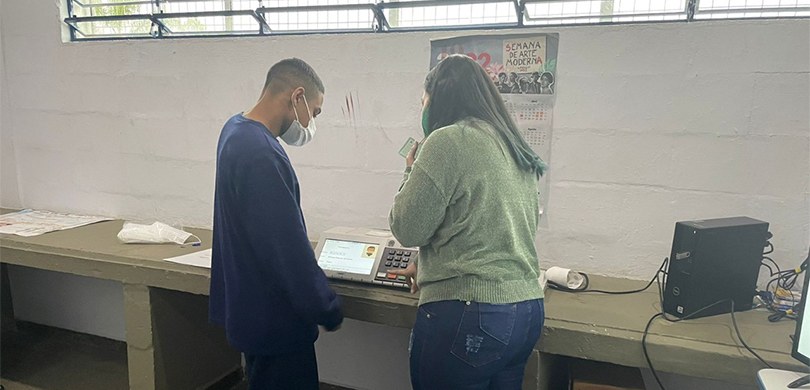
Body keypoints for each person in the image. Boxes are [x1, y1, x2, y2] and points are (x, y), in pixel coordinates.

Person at [388, 54, 547, 390]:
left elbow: (406, 227)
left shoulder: (446, 141)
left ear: (440, 98)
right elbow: (490, 226)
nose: (423, 109)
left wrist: (410, 168)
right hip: (525, 312)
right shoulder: (514, 145)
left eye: (424, 101)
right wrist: (426, 261)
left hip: (470, 314)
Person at [209, 58, 343, 390]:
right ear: (296, 97)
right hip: (276, 324)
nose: (311, 122)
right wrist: (326, 306)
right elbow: (285, 247)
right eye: (315, 111)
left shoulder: (234, 129)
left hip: (250, 312)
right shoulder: (260, 152)